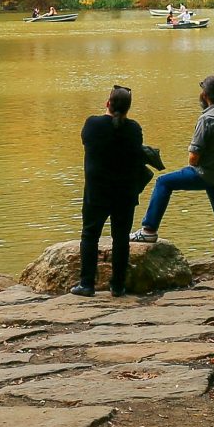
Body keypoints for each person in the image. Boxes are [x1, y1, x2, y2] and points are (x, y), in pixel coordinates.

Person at [132, 73, 214, 273]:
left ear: (206, 95)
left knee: (164, 182)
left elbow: (193, 158)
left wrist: (195, 162)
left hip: (205, 174)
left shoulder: (207, 119)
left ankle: (149, 230)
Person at [76, 84, 159, 296]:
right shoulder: (134, 129)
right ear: (128, 108)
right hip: (125, 193)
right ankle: (118, 286)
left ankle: (86, 284)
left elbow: (87, 140)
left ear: (107, 103)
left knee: (90, 234)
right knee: (121, 238)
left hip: (97, 192)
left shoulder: (92, 125)